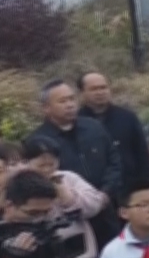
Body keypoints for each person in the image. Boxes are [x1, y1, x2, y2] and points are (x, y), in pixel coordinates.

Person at [29, 80, 123, 229]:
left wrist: (105, 193)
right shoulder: (39, 141)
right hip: (68, 217)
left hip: (107, 208)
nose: (70, 105)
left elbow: (114, 161)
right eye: (62, 101)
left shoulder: (94, 127)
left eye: (72, 99)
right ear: (46, 108)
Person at [77, 72, 149, 194]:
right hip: (94, 192)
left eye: (103, 87)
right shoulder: (77, 122)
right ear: (82, 93)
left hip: (129, 187)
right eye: (94, 89)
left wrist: (146, 186)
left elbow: (142, 154)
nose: (100, 92)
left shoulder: (127, 117)